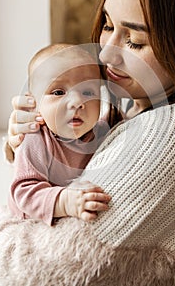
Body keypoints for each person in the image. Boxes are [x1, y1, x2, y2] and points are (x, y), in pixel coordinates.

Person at [0, 0, 175, 286]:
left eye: (134, 41)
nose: (105, 54)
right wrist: (36, 149)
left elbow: (21, 279)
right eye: (107, 23)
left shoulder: (172, 134)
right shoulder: (136, 105)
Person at [8, 43, 111, 225]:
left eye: (88, 91)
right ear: (33, 103)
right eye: (58, 92)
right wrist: (65, 202)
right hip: (31, 218)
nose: (77, 102)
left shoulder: (103, 131)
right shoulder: (35, 139)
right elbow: (24, 192)